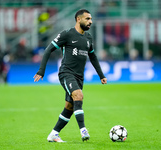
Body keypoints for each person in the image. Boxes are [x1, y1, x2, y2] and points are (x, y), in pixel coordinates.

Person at [33, 9, 107, 142]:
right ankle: (83, 131)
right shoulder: (66, 34)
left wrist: (101, 75)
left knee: (70, 106)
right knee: (78, 95)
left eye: (91, 19)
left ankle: (54, 134)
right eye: (87, 19)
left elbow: (93, 57)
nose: (90, 21)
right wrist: (41, 70)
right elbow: (48, 50)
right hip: (66, 73)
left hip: (79, 77)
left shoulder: (88, 37)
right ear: (78, 19)